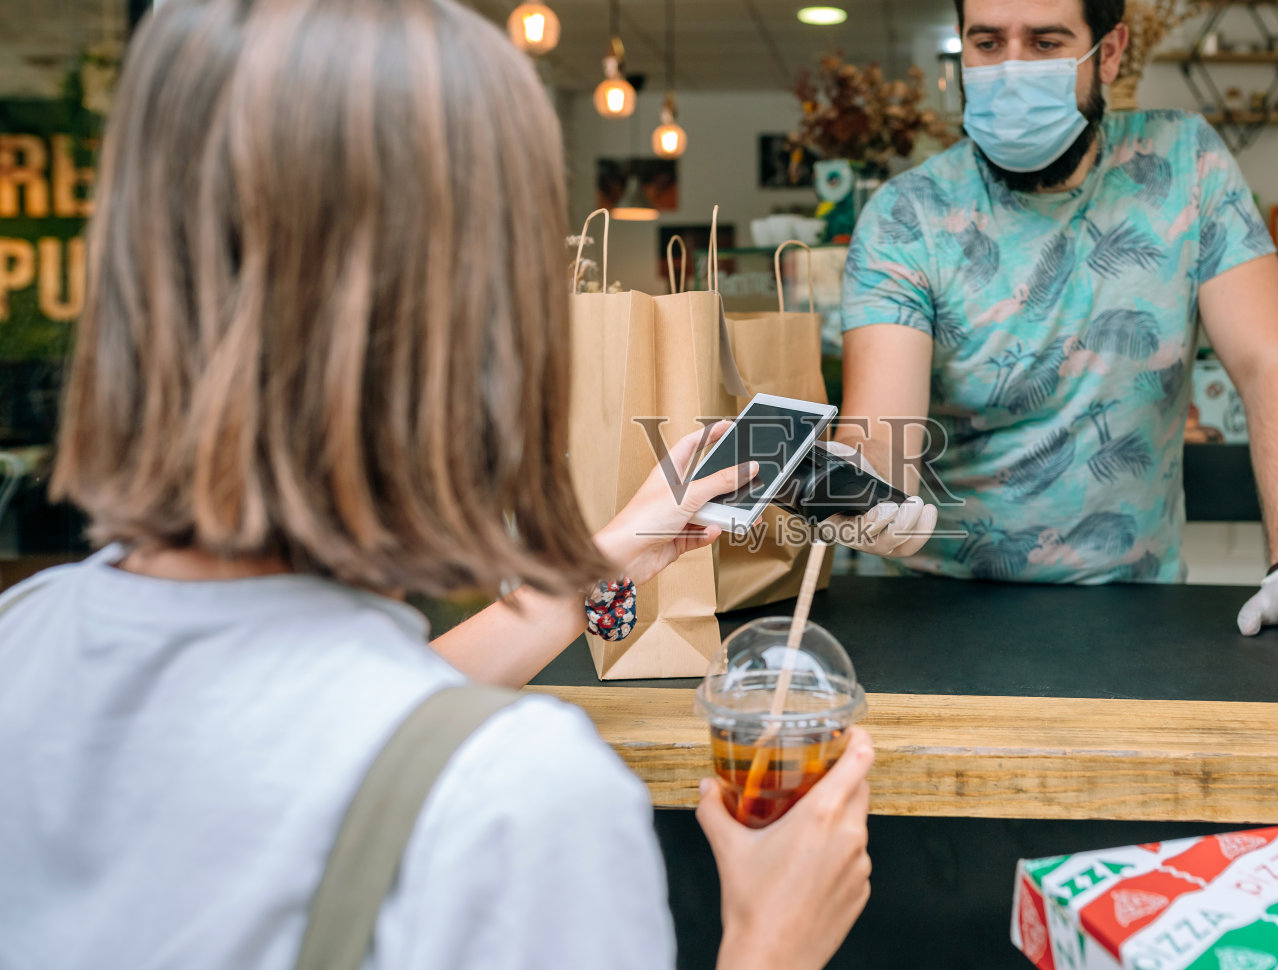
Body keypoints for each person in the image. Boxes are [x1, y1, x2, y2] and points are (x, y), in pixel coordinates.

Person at [0, 1, 872, 968]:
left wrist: (609, 553)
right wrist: (772, 938)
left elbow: (332, 718)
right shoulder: (520, 802)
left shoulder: (28, 633)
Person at [834, 0, 1278, 648]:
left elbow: (1272, 366)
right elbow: (881, 434)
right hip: (935, 610)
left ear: (1109, 53)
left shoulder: (1186, 164)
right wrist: (863, 501)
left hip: (1137, 610)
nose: (1010, 69)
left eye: (1044, 43)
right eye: (986, 43)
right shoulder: (908, 216)